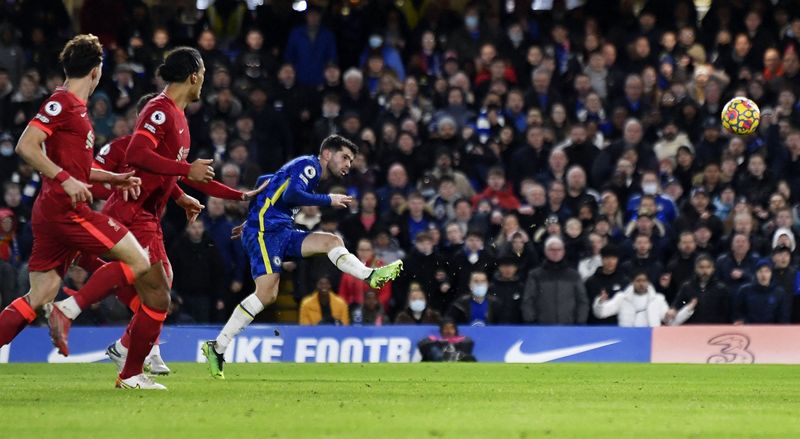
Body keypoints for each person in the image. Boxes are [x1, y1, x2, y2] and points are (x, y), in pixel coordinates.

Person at [45, 48, 259, 387]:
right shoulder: (160, 110)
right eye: (203, 74)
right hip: (132, 211)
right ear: (194, 75)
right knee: (150, 284)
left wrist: (236, 195)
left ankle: (126, 356)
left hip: (149, 215)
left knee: (160, 290)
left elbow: (179, 172)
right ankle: (74, 311)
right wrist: (185, 171)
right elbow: (137, 153)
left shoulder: (179, 117)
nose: (203, 81)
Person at [0, 34, 172, 390]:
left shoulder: (75, 108)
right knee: (140, 260)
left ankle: (62, 310)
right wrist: (64, 180)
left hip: (51, 212)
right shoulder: (62, 102)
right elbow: (26, 146)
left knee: (40, 294)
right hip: (67, 211)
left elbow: (78, 169)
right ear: (96, 71)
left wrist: (113, 178)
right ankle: (76, 316)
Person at [203, 135, 403, 379]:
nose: (348, 164)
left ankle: (370, 275)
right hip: (265, 233)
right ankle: (218, 346)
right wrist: (328, 199)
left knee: (332, 241)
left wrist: (251, 216)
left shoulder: (307, 172)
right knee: (267, 294)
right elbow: (291, 196)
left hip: (281, 231)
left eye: (351, 160)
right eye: (345, 157)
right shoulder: (310, 166)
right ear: (327, 154)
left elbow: (266, 181)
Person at [522, 236, 589, 324]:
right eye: (552, 250)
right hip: (542, 327)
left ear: (563, 251)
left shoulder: (573, 275)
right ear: (545, 251)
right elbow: (528, 300)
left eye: (559, 249)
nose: (555, 252)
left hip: (569, 326)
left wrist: (580, 322)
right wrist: (531, 322)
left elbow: (582, 301)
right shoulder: (535, 275)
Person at [666, 253, 730, 325]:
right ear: (696, 269)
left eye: (708, 267)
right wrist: (674, 310)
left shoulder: (721, 289)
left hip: (714, 327)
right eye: (701, 267)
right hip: (692, 327)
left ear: (713, 269)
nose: (705, 271)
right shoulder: (687, 287)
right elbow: (678, 303)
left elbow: (726, 312)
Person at [592, 270, 670, 327]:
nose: (641, 284)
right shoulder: (622, 298)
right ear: (632, 282)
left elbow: (668, 319)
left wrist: (670, 315)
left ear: (648, 282)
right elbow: (601, 313)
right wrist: (600, 302)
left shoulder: (658, 299)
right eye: (638, 281)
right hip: (628, 337)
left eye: (644, 281)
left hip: (651, 338)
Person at [733, 258, 791, 324]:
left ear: (771, 273)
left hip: (772, 329)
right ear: (756, 273)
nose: (763, 275)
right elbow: (738, 313)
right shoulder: (744, 290)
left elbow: (783, 317)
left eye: (767, 271)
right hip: (749, 328)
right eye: (760, 271)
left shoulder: (779, 293)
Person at [584, 244, 628, 325]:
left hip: (618, 326)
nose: (610, 262)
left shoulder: (624, 281)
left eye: (613, 258)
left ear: (617, 260)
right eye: (607, 258)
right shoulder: (591, 282)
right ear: (602, 259)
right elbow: (586, 306)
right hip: (596, 325)